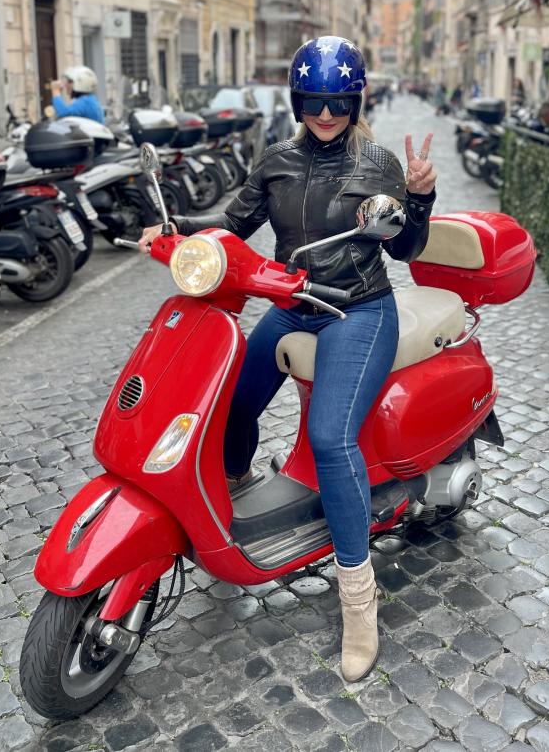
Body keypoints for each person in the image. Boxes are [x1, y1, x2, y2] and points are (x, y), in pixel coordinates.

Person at [138, 36, 437, 683]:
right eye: (312, 99)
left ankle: (360, 600)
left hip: (357, 309)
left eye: (337, 100)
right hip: (295, 300)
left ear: (354, 99)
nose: (325, 113)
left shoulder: (379, 161)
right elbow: (232, 223)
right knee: (226, 401)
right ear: (298, 98)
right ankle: (240, 488)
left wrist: (418, 198)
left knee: (331, 439)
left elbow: (407, 250)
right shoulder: (275, 159)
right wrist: (171, 231)